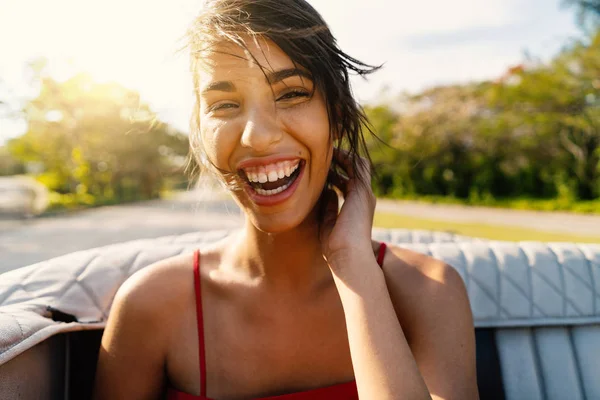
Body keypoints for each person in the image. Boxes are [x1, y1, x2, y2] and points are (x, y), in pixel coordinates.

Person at [93, 1, 479, 399]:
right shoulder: (151, 307)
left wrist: (354, 266)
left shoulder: (427, 292)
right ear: (200, 131)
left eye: (292, 93)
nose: (257, 136)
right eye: (224, 105)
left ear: (339, 115)